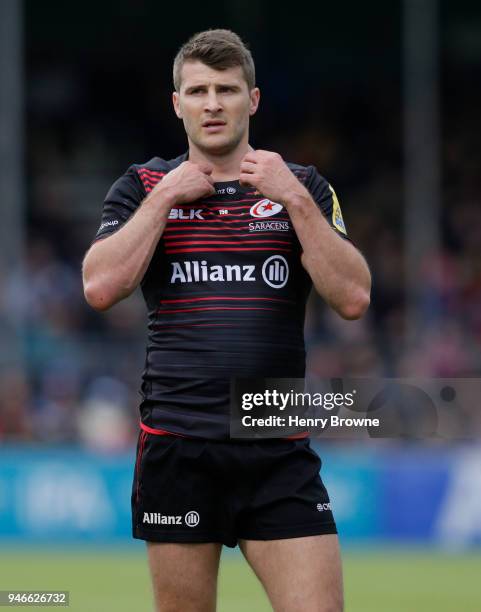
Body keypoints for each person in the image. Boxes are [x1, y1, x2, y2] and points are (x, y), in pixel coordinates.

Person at [82, 29, 371, 612]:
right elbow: (100, 286)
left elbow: (354, 296)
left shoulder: (302, 185)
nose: (212, 103)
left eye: (226, 89)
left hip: (276, 445)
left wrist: (294, 199)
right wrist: (164, 200)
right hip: (179, 446)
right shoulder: (141, 186)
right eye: (198, 91)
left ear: (253, 100)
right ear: (177, 104)